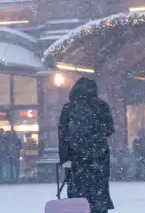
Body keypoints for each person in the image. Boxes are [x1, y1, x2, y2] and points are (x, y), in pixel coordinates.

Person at [58, 78, 115, 213]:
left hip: (75, 158)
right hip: (98, 158)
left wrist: (65, 158)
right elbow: (109, 129)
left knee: (77, 194)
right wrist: (95, 141)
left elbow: (62, 135)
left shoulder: (68, 108)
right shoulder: (102, 106)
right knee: (98, 192)